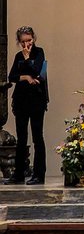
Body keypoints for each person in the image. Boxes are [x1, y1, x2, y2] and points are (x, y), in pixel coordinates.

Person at [5, 26, 48, 185]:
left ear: (33, 39)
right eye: (23, 42)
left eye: (29, 41)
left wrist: (28, 58)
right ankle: (19, 173)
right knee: (21, 138)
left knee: (37, 136)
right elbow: (12, 76)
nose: (26, 45)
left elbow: (38, 70)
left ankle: (39, 174)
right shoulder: (18, 56)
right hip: (22, 100)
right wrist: (25, 77)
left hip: (37, 99)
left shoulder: (39, 52)